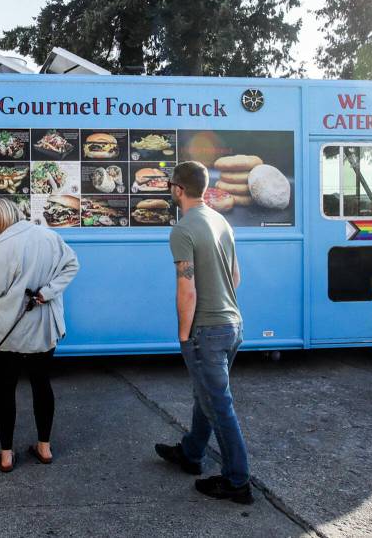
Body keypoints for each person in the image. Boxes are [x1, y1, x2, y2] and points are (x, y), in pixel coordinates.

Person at [155, 160, 253, 504]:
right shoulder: (220, 220)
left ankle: (237, 481)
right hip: (233, 324)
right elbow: (236, 276)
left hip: (207, 330)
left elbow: (187, 289)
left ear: (178, 190)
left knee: (219, 405)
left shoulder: (182, 229)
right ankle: (191, 453)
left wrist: (184, 335)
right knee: (208, 396)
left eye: (171, 186)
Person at [0, 198, 79, 472]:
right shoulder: (49, 235)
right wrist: (47, 292)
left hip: (10, 330)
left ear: (2, 217)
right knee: (41, 385)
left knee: (5, 388)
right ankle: (44, 447)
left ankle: (6, 455)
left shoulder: (0, 247)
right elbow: (72, 266)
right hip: (44, 328)